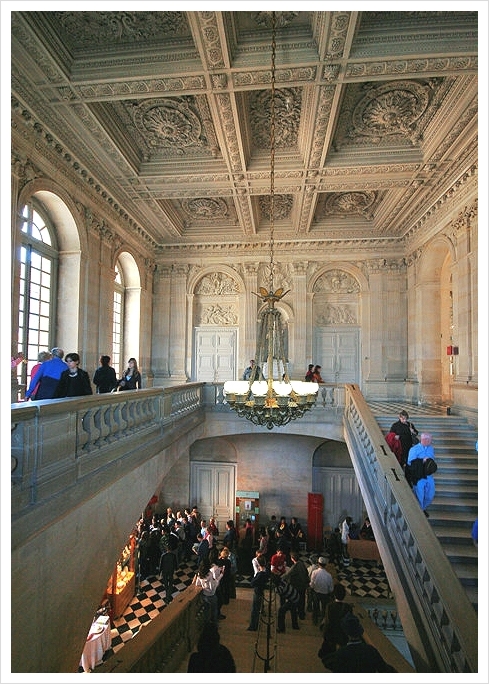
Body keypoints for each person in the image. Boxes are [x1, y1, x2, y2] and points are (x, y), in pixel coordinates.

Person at [321, 613, 397, 672]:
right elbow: (384, 669)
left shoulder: (341, 653)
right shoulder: (371, 651)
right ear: (360, 631)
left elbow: (325, 660)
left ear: (346, 633)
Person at [318, 583, 353, 659]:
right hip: (343, 634)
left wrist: (324, 633)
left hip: (332, 633)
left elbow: (328, 622)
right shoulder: (348, 607)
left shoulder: (330, 606)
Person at [407, 433, 436, 517]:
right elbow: (410, 463)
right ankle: (420, 513)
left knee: (430, 495)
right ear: (425, 440)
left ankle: (422, 508)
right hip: (419, 476)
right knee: (420, 495)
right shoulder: (414, 449)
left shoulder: (431, 448)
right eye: (430, 440)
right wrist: (422, 460)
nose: (431, 442)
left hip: (428, 475)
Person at [194, 556, 224, 626]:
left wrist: (204, 586)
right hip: (211, 595)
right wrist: (219, 577)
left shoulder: (199, 573)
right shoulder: (209, 574)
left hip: (204, 595)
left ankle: (206, 625)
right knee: (214, 611)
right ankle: (214, 625)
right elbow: (211, 588)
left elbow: (197, 584)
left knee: (206, 611)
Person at [309, 556, 334, 626]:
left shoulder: (314, 572)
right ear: (325, 565)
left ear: (318, 564)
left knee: (315, 607)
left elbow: (312, 584)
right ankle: (322, 621)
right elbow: (331, 588)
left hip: (316, 593)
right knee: (324, 608)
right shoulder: (329, 575)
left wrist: (311, 588)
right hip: (325, 594)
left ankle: (315, 620)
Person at [285, 551, 310, 620]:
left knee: (296, 599)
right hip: (303, 585)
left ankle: (297, 613)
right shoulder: (302, 563)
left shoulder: (295, 566)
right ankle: (301, 613)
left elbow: (288, 575)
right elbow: (306, 572)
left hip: (298, 586)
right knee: (302, 600)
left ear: (292, 558)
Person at [247, 554, 269, 631]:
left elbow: (252, 583)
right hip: (261, 590)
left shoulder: (260, 574)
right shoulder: (266, 571)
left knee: (255, 610)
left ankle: (253, 626)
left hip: (258, 592)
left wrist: (255, 577)